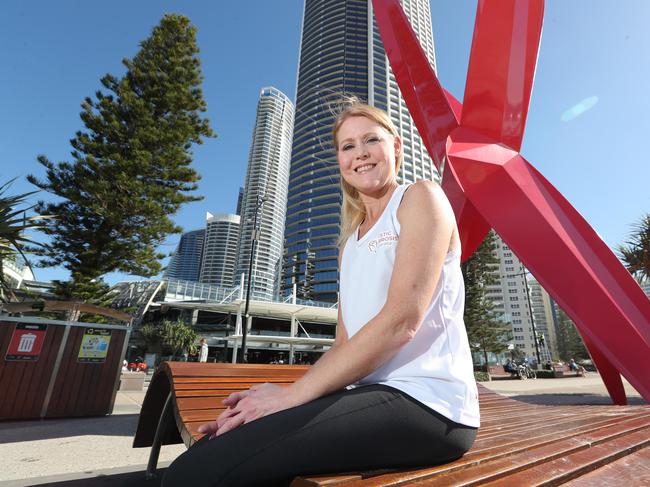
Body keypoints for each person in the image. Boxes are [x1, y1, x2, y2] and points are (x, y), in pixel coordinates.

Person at [163, 101, 479, 486]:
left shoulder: (421, 198)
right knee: (218, 446)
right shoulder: (350, 244)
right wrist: (278, 402)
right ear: (340, 161)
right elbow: (343, 343)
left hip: (431, 405)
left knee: (197, 474)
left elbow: (401, 323)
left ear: (395, 147)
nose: (359, 153)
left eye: (370, 140)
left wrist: (290, 397)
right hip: (370, 396)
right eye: (347, 146)